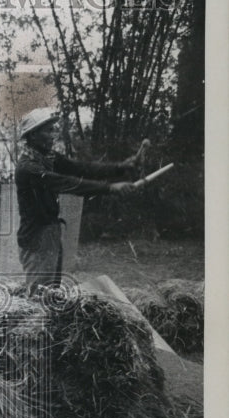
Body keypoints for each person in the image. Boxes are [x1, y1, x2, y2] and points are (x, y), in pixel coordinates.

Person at [14, 107, 145, 295]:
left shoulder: (48, 157)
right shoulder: (28, 168)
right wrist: (110, 188)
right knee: (39, 296)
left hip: (50, 232)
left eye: (53, 130)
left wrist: (121, 167)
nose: (53, 135)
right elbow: (66, 182)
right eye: (48, 131)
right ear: (33, 135)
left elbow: (81, 168)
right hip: (36, 237)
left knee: (51, 294)